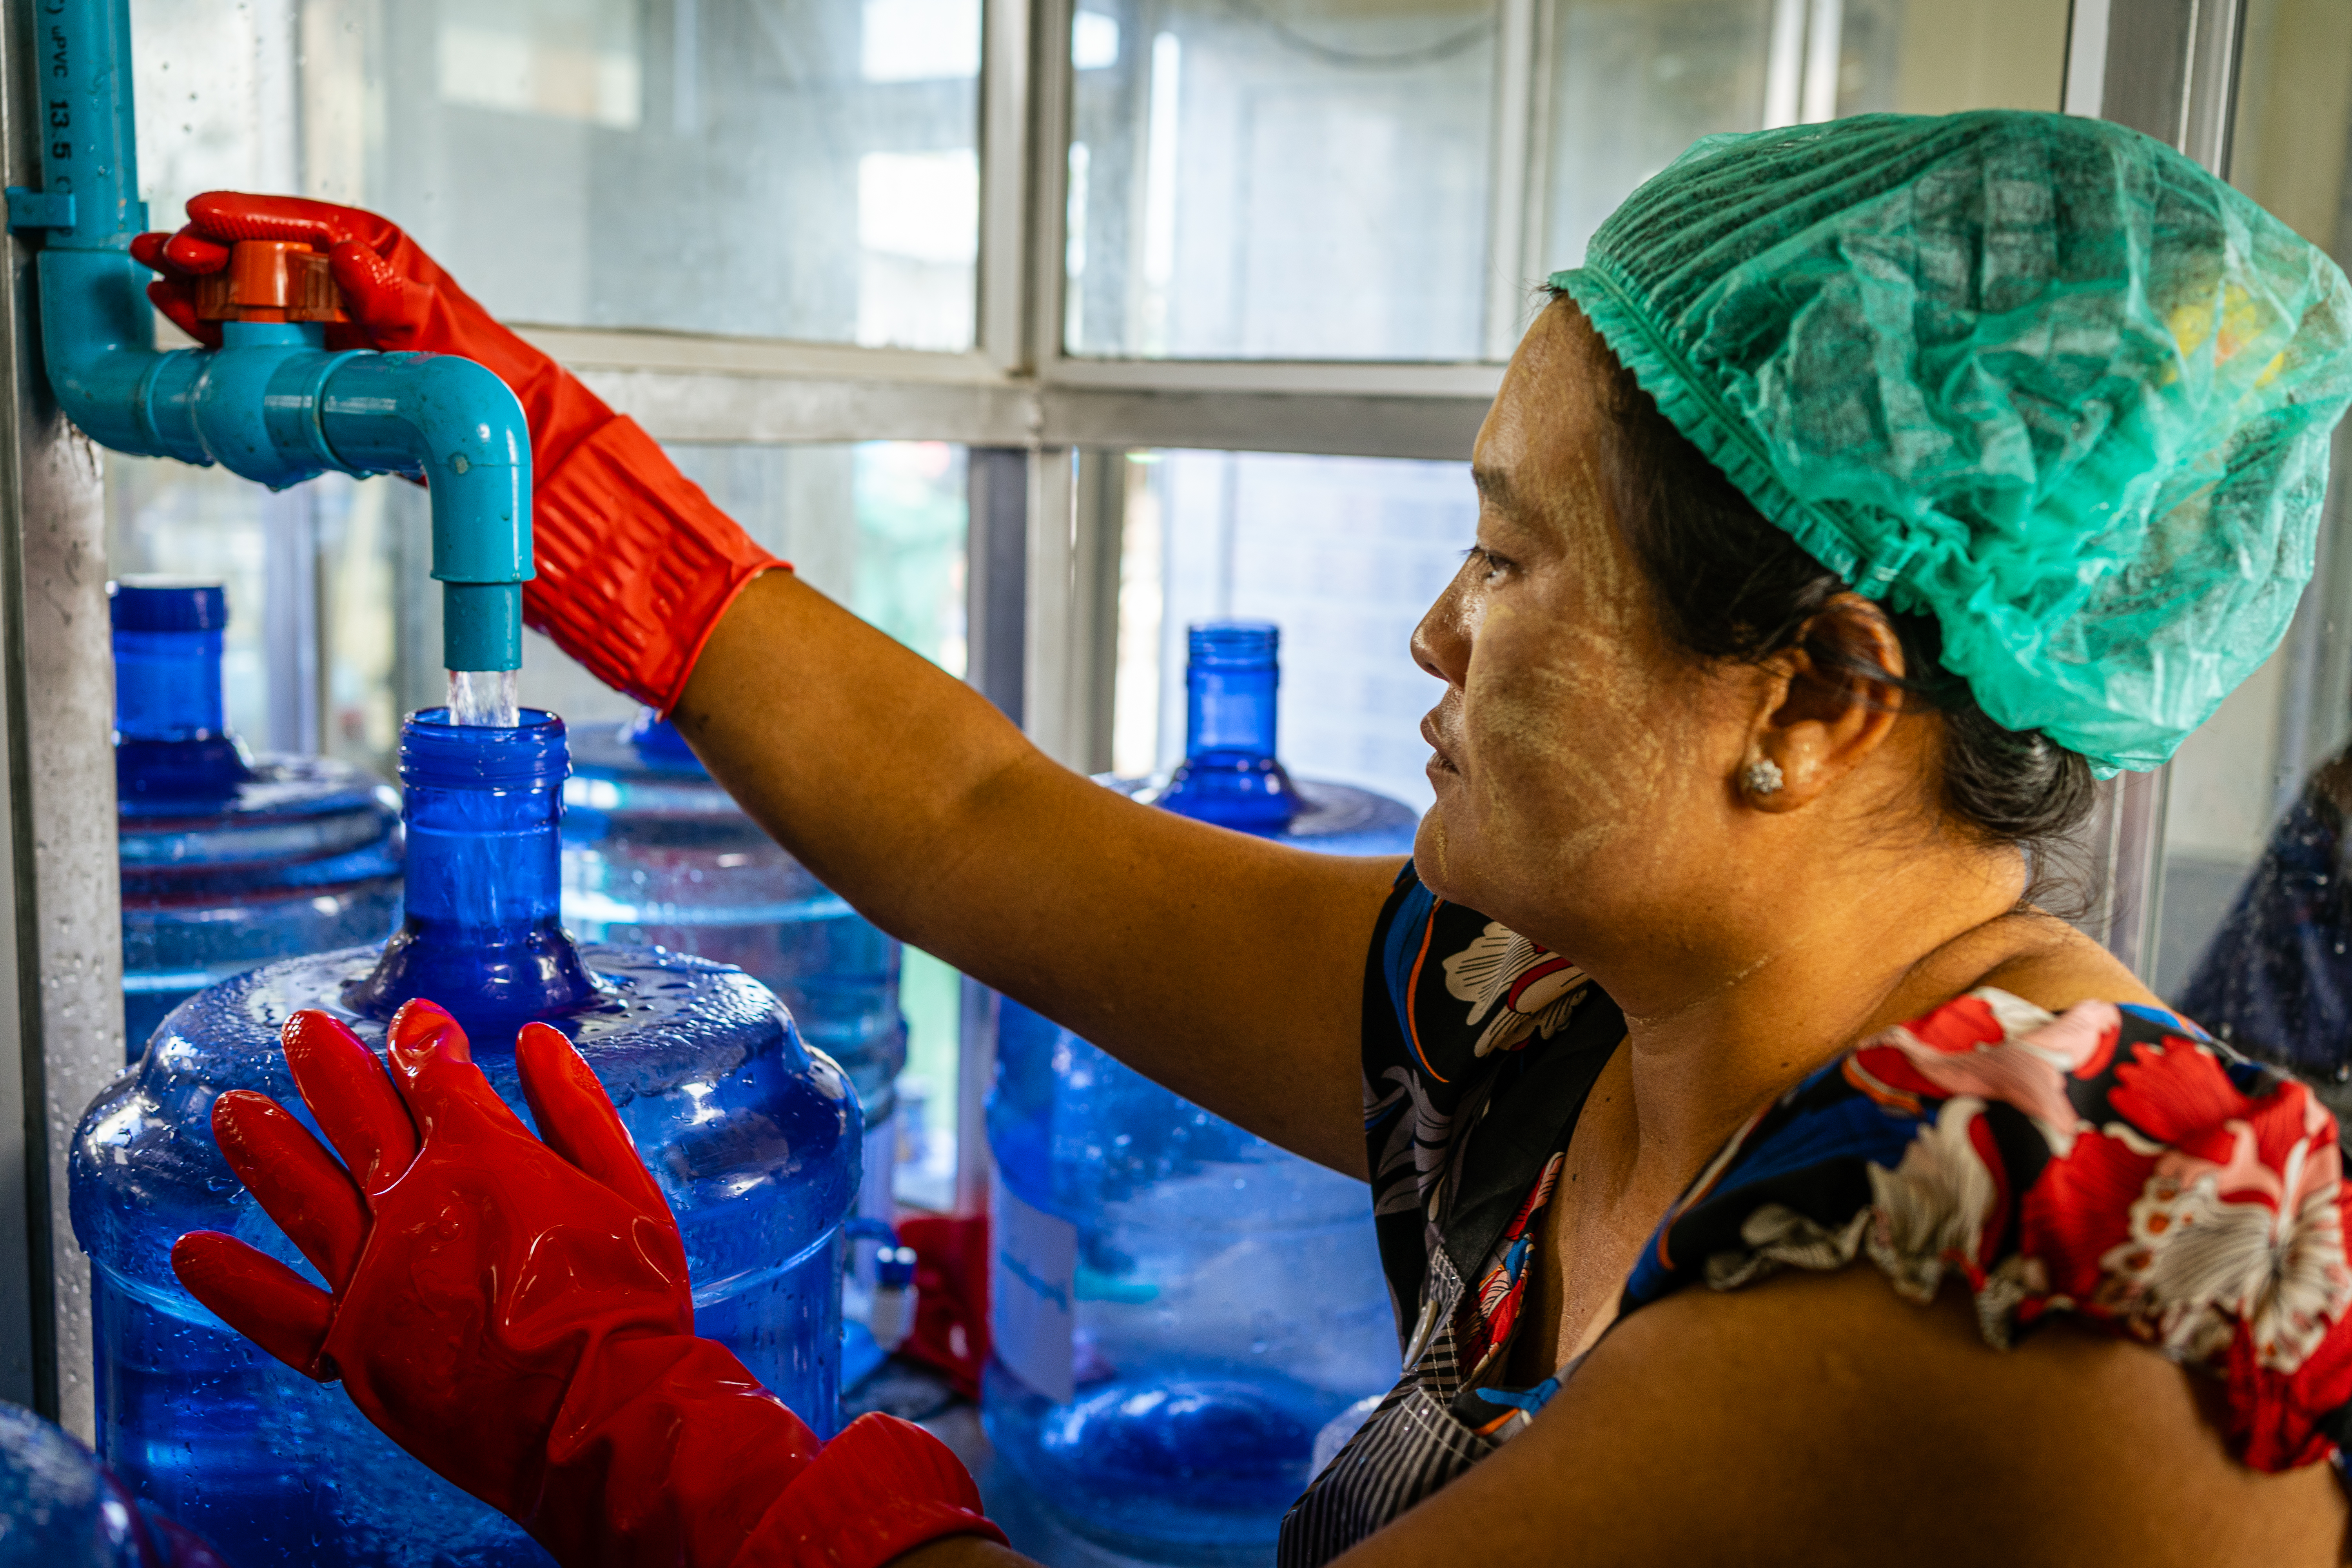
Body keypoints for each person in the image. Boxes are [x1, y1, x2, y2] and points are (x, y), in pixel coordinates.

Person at [142, 109, 2352, 1567]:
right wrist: (550, 457)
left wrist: (622, 1409)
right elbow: (980, 819)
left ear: (1813, 693)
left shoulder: (2012, 1270)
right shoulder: (1587, 1012)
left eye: (1512, 560)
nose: (1436, 630)